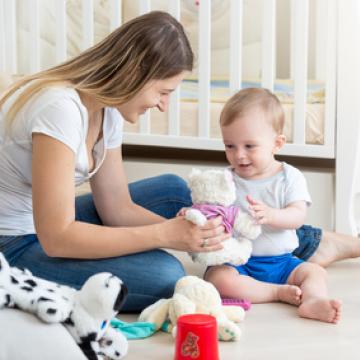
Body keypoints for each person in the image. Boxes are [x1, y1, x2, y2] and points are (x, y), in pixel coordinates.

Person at [0, 11, 357, 314]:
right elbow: (58, 237)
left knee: (176, 193)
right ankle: (313, 244)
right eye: (164, 91)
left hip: (45, 221)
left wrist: (191, 233)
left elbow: (116, 209)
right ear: (136, 72)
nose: (163, 105)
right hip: (15, 242)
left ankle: (309, 242)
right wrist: (165, 234)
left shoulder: (107, 113)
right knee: (165, 278)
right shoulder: (59, 109)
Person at [204, 88, 342, 323]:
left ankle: (312, 301)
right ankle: (275, 293)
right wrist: (194, 213)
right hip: (239, 262)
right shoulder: (225, 179)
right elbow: (209, 210)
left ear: (276, 143)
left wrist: (272, 215)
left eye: (249, 146)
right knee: (217, 279)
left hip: (281, 261)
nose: (239, 155)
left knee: (315, 272)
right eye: (230, 146)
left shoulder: (289, 177)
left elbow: (298, 216)